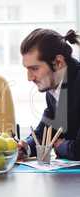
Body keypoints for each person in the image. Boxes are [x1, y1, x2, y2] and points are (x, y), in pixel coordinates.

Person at [18, 28, 80, 160]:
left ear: (58, 62)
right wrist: (25, 147)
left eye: (34, 68)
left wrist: (61, 146)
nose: (29, 78)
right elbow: (46, 130)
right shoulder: (53, 86)